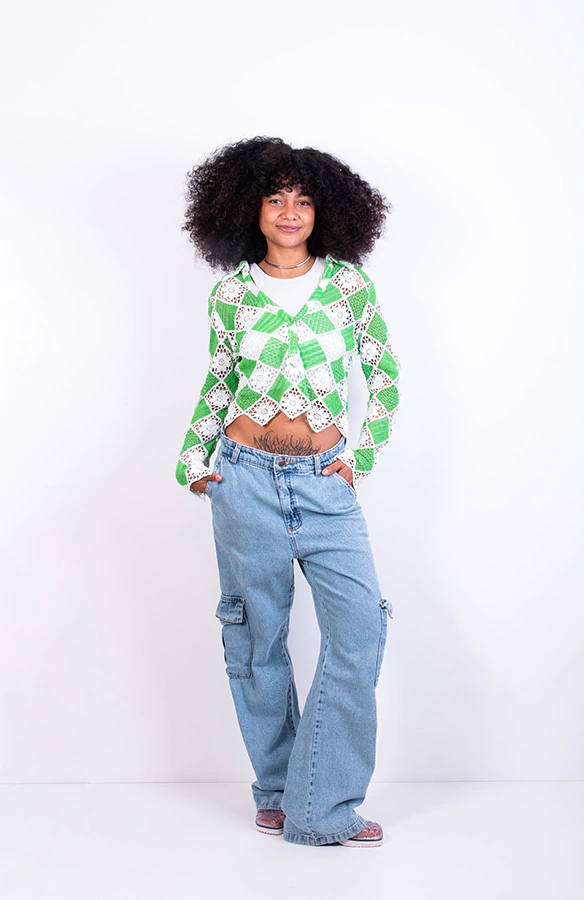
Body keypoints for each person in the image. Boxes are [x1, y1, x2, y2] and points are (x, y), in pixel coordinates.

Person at [175, 136, 400, 847]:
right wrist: (193, 462)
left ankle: (319, 804)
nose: (290, 211)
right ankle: (277, 789)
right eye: (275, 198)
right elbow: (219, 382)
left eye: (303, 199)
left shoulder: (348, 287)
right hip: (243, 481)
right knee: (256, 642)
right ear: (249, 208)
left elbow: (384, 375)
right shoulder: (232, 294)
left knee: (360, 628)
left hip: (325, 484)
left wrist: (359, 457)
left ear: (325, 209)